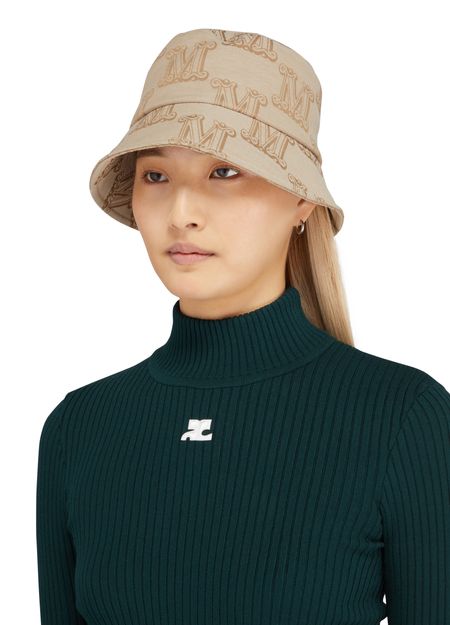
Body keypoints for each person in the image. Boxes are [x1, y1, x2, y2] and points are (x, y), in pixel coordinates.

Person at [36, 28, 450, 625]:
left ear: (302, 201)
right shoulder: (79, 428)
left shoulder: (401, 416)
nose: (182, 213)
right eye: (156, 176)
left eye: (225, 171)